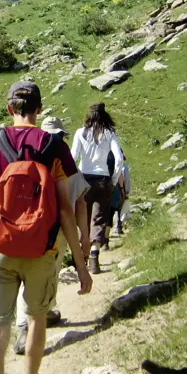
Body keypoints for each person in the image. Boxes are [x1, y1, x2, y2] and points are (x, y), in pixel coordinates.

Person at [0, 81, 92, 374]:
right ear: (39, 110)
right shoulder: (55, 147)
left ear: (10, 109)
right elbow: (66, 211)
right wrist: (81, 267)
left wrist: (9, 228)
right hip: (43, 249)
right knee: (38, 316)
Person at [12, 116, 91, 355]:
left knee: (25, 275)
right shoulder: (65, 162)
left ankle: (32, 321)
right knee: (48, 273)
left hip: (22, 227)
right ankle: (29, 324)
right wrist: (84, 237)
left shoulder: (24, 159)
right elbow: (78, 203)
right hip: (54, 231)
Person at [70, 103, 123, 275]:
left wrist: (76, 178)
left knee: (82, 219)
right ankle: (94, 257)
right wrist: (114, 179)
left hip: (84, 178)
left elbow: (72, 157)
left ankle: (81, 256)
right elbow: (119, 159)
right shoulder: (109, 133)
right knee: (99, 218)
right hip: (103, 179)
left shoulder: (80, 133)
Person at [111, 152, 131, 236]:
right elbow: (127, 180)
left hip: (111, 188)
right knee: (119, 208)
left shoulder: (108, 165)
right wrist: (126, 192)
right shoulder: (124, 167)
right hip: (120, 189)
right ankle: (118, 226)